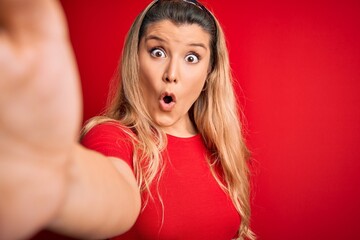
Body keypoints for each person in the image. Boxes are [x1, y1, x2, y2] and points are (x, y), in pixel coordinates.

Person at [0, 0, 255, 239]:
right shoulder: (112, 137)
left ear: (209, 72)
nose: (172, 74)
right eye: (157, 52)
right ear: (135, 58)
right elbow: (112, 196)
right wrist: (55, 180)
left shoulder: (220, 148)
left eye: (191, 58)